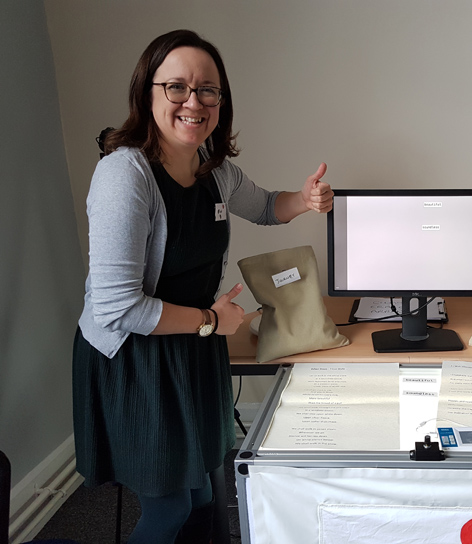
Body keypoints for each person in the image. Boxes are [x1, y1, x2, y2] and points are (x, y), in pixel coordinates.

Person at [73, 29, 333, 543]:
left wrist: (303, 199)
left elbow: (264, 206)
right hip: (139, 359)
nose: (194, 101)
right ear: (147, 94)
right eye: (177, 87)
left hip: (192, 349)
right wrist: (213, 322)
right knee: (168, 509)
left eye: (207, 89)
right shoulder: (124, 175)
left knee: (202, 497)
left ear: (220, 101)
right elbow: (116, 307)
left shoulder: (215, 172)